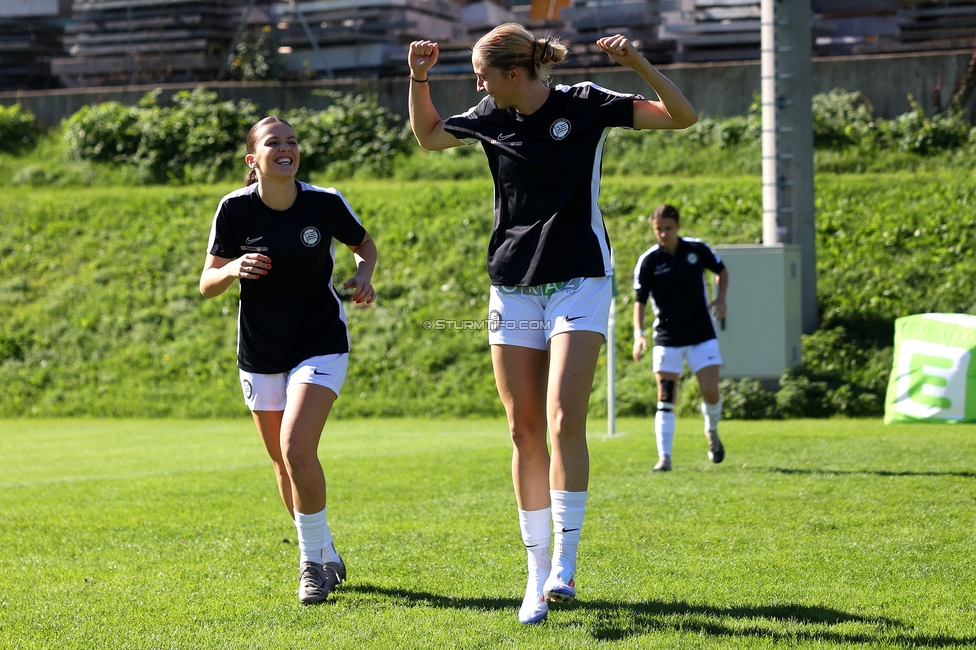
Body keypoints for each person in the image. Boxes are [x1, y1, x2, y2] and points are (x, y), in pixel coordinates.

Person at [407, 24, 697, 624]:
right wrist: (419, 77)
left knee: (566, 417)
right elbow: (430, 136)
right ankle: (535, 572)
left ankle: (565, 562)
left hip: (580, 281)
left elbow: (682, 116)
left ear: (516, 71)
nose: (478, 84)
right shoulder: (491, 114)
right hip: (511, 288)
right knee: (523, 431)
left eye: (483, 74)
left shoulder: (586, 104)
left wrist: (637, 61)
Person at [199, 116, 377, 604]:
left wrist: (364, 276)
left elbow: (364, 245)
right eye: (274, 142)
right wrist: (234, 268)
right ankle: (324, 550)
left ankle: (310, 566)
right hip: (260, 351)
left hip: (319, 340)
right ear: (253, 161)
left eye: (292, 142)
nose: (286, 148)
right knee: (282, 461)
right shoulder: (234, 209)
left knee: (297, 447)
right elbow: (206, 283)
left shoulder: (324, 202)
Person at [632, 204, 728, 472]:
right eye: (658, 229)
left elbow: (721, 271)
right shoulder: (649, 261)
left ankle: (712, 432)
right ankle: (665, 458)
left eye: (668, 228)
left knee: (710, 391)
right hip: (667, 337)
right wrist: (639, 335)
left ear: (678, 226)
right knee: (666, 398)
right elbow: (639, 302)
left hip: (701, 334)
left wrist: (721, 299)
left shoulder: (697, 250)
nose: (663, 234)